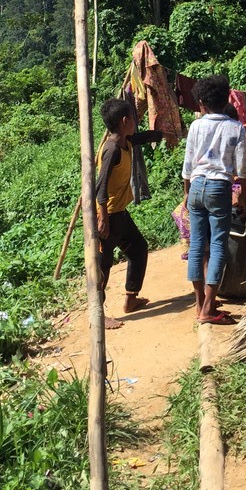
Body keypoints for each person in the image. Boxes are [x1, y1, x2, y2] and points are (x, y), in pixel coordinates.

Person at [182, 75, 246, 324]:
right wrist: (242, 197)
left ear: (201, 103)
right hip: (219, 187)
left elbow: (188, 164)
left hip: (197, 185)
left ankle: (200, 303)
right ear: (226, 99)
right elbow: (241, 169)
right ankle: (209, 309)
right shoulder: (235, 127)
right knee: (219, 244)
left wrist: (187, 193)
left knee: (197, 245)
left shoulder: (196, 126)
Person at [96, 98, 163, 329]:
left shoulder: (125, 140)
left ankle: (131, 298)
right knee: (102, 265)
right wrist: (102, 217)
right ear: (125, 121)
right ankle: (98, 315)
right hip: (109, 216)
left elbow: (143, 137)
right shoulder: (112, 149)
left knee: (138, 248)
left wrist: (165, 134)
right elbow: (100, 186)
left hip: (120, 213)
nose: (136, 122)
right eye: (133, 118)